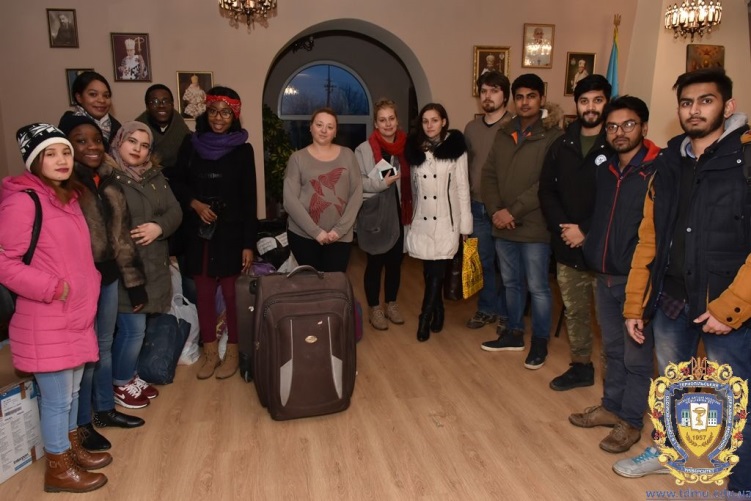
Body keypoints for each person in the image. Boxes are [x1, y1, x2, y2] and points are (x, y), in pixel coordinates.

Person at [616, 69, 751, 497]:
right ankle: (669, 450)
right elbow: (649, 238)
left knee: (735, 398)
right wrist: (635, 303)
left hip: (728, 306)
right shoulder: (669, 162)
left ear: (727, 106)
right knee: (674, 385)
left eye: (706, 101)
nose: (694, 110)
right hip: (672, 298)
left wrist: (732, 307)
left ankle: (742, 484)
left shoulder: (746, 159)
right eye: (687, 102)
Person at [0, 124, 110, 493]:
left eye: (65, 152)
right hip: (46, 316)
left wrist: (89, 281)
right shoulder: (23, 201)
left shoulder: (67, 197)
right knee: (57, 399)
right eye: (50, 154)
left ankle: (71, 449)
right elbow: (4, 262)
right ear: (34, 161)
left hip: (75, 315)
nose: (61, 160)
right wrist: (53, 288)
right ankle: (58, 469)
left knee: (73, 394)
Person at [568, 96, 660, 454]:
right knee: (612, 349)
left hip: (637, 279)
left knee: (637, 357)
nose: (619, 132)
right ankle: (611, 406)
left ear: (644, 127)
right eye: (612, 126)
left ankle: (631, 421)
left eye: (628, 124)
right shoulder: (605, 170)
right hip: (603, 275)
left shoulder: (657, 170)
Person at [58, 114, 149, 452]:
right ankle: (81, 425)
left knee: (103, 347)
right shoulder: (64, 187)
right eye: (81, 141)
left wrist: (134, 283)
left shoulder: (108, 182)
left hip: (108, 279)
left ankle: (105, 410)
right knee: (83, 357)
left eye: (96, 139)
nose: (91, 146)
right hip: (77, 285)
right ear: (67, 146)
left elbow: (122, 237)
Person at [170, 86, 257, 380]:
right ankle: (209, 353)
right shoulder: (191, 144)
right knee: (204, 295)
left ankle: (232, 353)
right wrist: (195, 204)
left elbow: (249, 199)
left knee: (232, 296)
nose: (219, 118)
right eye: (213, 111)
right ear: (205, 113)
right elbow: (177, 182)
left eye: (226, 113)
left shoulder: (243, 149)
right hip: (199, 234)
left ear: (235, 116)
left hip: (232, 234)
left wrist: (249, 243)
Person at [480, 73, 563, 369]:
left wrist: (512, 212)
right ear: (513, 100)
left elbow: (546, 183)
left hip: (534, 226)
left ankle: (539, 341)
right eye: (520, 97)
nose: (525, 102)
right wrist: (496, 211)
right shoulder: (505, 132)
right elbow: (488, 175)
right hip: (503, 225)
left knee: (538, 287)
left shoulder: (553, 135)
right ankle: (513, 333)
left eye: (531, 96)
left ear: (542, 98)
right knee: (511, 283)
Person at [539, 74, 612, 391]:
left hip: (606, 251)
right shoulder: (561, 145)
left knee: (609, 320)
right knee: (576, 313)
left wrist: (586, 230)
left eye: (597, 100)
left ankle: (615, 379)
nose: (590, 107)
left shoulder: (617, 145)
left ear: (607, 103)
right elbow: (546, 191)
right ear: (576, 104)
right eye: (584, 101)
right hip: (567, 246)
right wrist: (566, 229)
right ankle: (581, 366)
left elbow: (618, 199)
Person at [110, 122, 182, 409]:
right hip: (126, 268)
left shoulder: (155, 176)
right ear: (119, 142)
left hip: (153, 264)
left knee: (139, 328)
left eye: (144, 145)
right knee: (132, 329)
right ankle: (120, 382)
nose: (137, 149)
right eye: (132, 142)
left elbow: (175, 211)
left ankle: (130, 375)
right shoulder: (109, 178)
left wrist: (158, 227)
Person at [404, 103, 472, 342]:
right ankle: (439, 310)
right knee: (428, 271)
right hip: (422, 221)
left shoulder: (456, 149)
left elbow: (463, 188)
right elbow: (413, 189)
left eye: (434, 120)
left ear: (444, 122)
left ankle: (424, 318)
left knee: (436, 272)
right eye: (425, 121)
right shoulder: (415, 149)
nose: (429, 125)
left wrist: (465, 226)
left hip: (446, 222)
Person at [354, 99, 411, 330]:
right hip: (375, 214)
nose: (388, 124)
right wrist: (382, 183)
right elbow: (359, 182)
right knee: (375, 263)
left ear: (397, 120)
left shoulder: (407, 147)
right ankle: (374, 308)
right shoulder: (364, 149)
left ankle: (391, 304)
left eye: (391, 119)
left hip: (399, 214)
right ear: (376, 124)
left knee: (395, 263)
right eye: (382, 120)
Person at [283, 108, 363, 273]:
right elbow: (290, 201)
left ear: (335, 132)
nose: (324, 130)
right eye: (319, 125)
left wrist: (339, 230)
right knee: (310, 284)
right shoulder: (297, 158)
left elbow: (356, 194)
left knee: (335, 283)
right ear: (311, 127)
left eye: (330, 127)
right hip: (303, 236)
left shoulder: (348, 155)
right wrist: (316, 232)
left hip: (340, 236)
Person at [464, 71, 512, 332]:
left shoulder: (514, 126)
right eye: (483, 91)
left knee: (506, 265)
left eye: (494, 91)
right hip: (475, 206)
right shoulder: (471, 128)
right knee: (482, 262)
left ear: (505, 95)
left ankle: (506, 313)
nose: (487, 96)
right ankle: (486, 309)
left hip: (503, 208)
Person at [136, 84, 191, 172]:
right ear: (147, 106)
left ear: (172, 105)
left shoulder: (187, 135)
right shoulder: (134, 132)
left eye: (166, 101)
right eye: (155, 102)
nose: (161, 106)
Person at [66, 71, 121, 149]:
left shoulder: (117, 127)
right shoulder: (70, 125)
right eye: (93, 94)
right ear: (79, 97)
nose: (102, 100)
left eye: (106, 95)